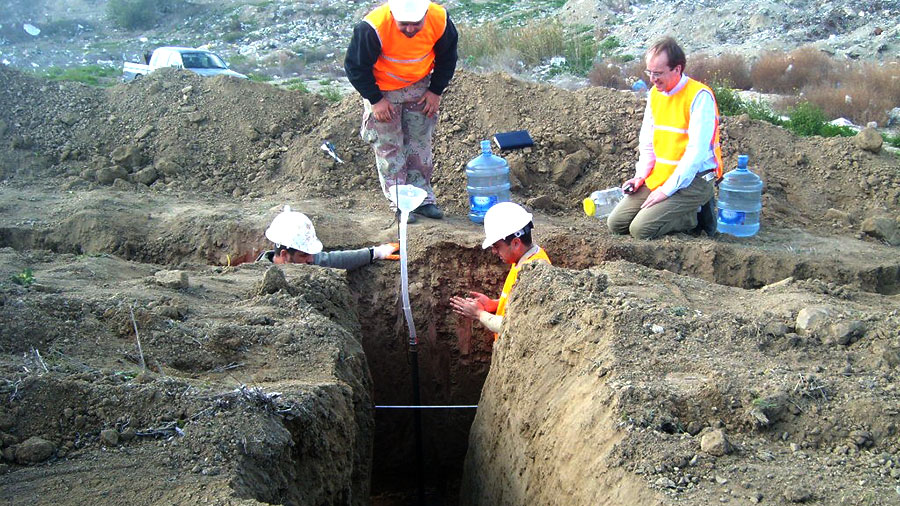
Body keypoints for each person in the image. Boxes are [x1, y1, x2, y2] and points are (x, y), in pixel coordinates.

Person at [344, 0, 458, 223]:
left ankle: (422, 199)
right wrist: (375, 100)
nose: (410, 29)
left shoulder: (440, 20)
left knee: (419, 143)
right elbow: (355, 67)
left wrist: (435, 90)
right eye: (404, 24)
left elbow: (448, 58)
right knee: (389, 147)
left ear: (425, 13)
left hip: (420, 86)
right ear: (393, 15)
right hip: (383, 90)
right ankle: (399, 201)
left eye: (416, 24)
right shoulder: (372, 28)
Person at [607, 37, 724, 240]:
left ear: (677, 69)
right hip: (663, 174)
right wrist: (640, 177)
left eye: (658, 73)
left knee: (640, 229)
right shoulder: (655, 95)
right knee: (616, 223)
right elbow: (648, 143)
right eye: (649, 72)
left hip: (695, 179)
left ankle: (694, 216)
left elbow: (695, 155)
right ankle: (671, 209)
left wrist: (666, 191)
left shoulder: (699, 97)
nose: (652, 79)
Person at [449, 203, 551, 337]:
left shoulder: (535, 274)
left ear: (515, 243)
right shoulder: (524, 261)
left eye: (497, 246)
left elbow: (515, 325)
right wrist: (494, 304)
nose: (493, 251)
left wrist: (479, 313)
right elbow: (522, 303)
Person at [256, 205, 399, 269]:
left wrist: (376, 252)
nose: (311, 259)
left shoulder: (299, 261)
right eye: (304, 255)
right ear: (284, 254)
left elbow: (333, 260)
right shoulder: (260, 278)